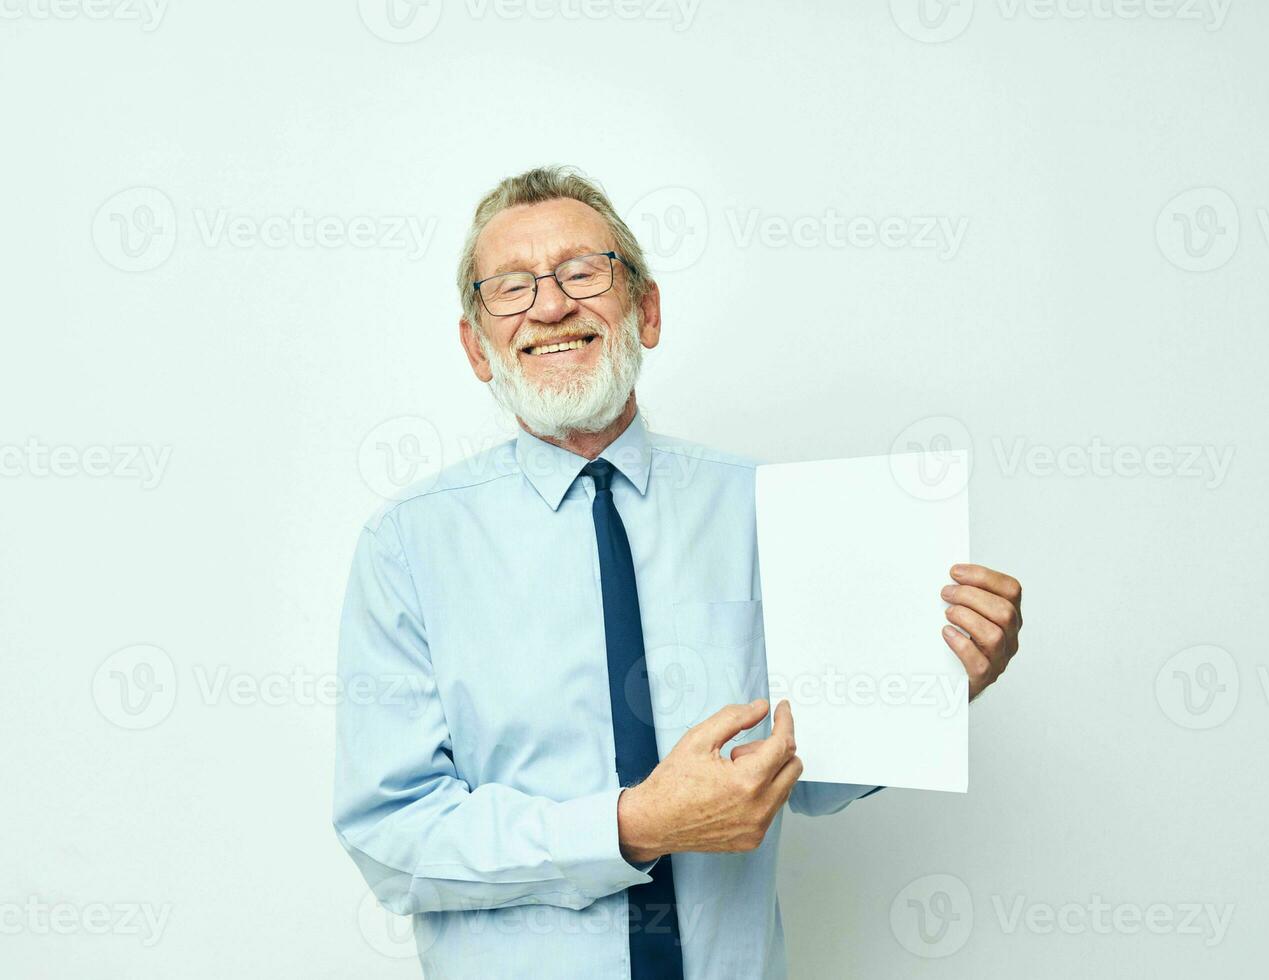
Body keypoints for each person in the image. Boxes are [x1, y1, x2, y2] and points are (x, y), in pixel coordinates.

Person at [332, 165, 1023, 979]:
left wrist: (930, 684)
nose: (551, 306)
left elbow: (813, 777)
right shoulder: (407, 546)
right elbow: (394, 838)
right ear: (476, 346)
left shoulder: (767, 508)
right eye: (511, 288)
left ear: (646, 310)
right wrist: (628, 828)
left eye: (584, 273)